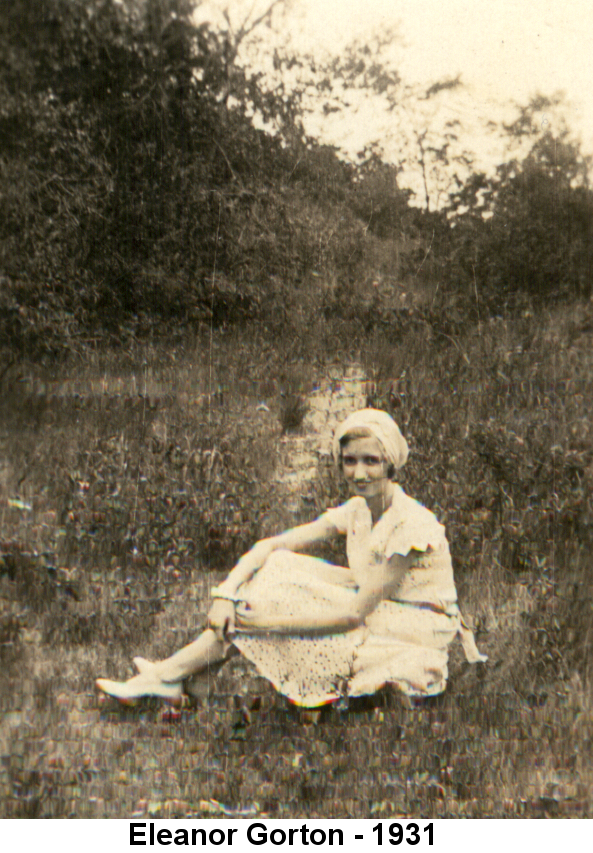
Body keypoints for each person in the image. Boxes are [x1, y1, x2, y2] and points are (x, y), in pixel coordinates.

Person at [96, 409, 486, 708]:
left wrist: (267, 623)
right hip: (374, 601)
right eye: (350, 461)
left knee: (276, 602)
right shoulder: (358, 510)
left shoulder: (411, 524)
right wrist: (226, 593)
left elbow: (354, 614)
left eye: (372, 461)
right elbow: (271, 545)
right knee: (278, 567)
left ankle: (171, 676)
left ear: (391, 465)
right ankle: (179, 678)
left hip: (415, 621)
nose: (360, 472)